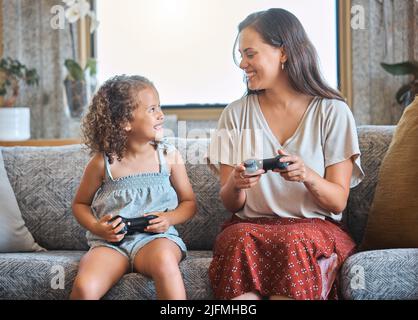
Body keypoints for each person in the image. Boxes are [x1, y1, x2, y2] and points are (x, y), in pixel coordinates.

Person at [208, 8, 364, 300]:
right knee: (238, 238)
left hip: (311, 229)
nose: (242, 63)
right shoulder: (234, 115)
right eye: (240, 55)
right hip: (250, 228)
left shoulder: (332, 112)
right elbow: (230, 202)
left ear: (283, 52)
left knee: (294, 239)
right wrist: (237, 184)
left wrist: (307, 175)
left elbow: (337, 200)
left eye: (250, 54)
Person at [70, 75, 196, 300]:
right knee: (85, 287)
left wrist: (169, 219)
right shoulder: (103, 162)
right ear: (124, 122)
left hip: (156, 240)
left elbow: (189, 203)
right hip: (111, 245)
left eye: (160, 107)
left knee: (165, 264)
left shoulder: (169, 156)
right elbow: (80, 204)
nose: (161, 115)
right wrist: (97, 227)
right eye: (152, 109)